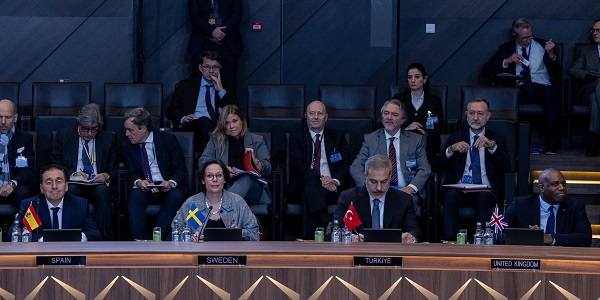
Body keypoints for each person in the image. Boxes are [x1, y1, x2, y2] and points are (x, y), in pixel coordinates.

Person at [435, 97, 511, 241]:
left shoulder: (498, 139)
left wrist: (492, 147)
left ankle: (481, 240)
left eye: (480, 114)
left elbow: (507, 167)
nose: (475, 118)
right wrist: (450, 150)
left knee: (483, 197)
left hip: (486, 191)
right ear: (466, 115)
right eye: (471, 113)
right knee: (450, 195)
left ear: (488, 116)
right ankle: (451, 240)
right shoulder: (456, 137)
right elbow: (437, 166)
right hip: (460, 189)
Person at [481, 18, 561, 154]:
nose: (528, 40)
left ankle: (552, 144)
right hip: (519, 88)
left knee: (550, 94)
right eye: (524, 38)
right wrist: (506, 61)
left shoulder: (544, 46)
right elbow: (486, 70)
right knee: (511, 97)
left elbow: (558, 72)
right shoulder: (506, 48)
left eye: (530, 36)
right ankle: (513, 145)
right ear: (515, 36)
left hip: (542, 86)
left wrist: (552, 55)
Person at [349, 99, 431, 216]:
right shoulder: (371, 139)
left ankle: (405, 234)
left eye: (394, 115)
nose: (389, 117)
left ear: (403, 120)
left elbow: (425, 168)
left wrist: (411, 188)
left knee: (404, 202)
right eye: (386, 113)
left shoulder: (415, 140)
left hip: (405, 190)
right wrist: (369, 188)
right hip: (377, 189)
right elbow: (355, 167)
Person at [51, 103, 117, 240]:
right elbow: (55, 164)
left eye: (93, 129)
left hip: (98, 183)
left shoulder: (108, 139)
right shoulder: (64, 136)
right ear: (78, 124)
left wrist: (106, 175)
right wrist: (73, 174)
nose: (89, 133)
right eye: (85, 129)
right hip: (74, 182)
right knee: (72, 190)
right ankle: (74, 237)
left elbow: (116, 169)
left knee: (102, 191)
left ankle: (103, 240)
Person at [123, 108, 189, 240]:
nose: (126, 134)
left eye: (130, 130)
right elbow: (130, 172)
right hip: (145, 188)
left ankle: (156, 239)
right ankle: (138, 241)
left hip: (167, 186)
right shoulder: (129, 146)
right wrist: (139, 182)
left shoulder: (167, 140)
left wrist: (171, 182)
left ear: (143, 129)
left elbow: (180, 168)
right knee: (135, 195)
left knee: (176, 196)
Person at [289, 100, 351, 239]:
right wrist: (319, 179)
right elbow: (296, 164)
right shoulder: (297, 136)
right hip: (301, 185)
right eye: (312, 113)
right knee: (310, 181)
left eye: (320, 113)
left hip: (330, 188)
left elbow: (345, 164)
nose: (316, 117)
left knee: (308, 195)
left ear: (326, 117)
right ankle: (326, 221)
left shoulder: (337, 136)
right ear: (306, 116)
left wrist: (334, 181)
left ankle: (309, 240)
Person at [334, 154, 420, 243]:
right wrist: (350, 237)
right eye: (373, 181)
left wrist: (411, 238)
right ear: (365, 176)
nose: (379, 188)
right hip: (359, 252)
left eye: (384, 182)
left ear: (390, 177)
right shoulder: (349, 198)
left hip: (392, 251)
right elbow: (336, 229)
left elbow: (414, 231)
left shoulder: (404, 200)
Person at [199, 104, 271, 205]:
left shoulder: (257, 140)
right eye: (227, 123)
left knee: (246, 178)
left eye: (234, 121)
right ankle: (222, 208)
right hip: (225, 187)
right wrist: (222, 168)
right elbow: (203, 162)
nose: (231, 126)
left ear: (242, 120)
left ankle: (219, 207)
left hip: (253, 191)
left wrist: (256, 163)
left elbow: (268, 170)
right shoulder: (216, 140)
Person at [172, 160, 259, 241]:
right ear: (203, 180)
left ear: (224, 179)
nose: (215, 179)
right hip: (199, 255)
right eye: (210, 176)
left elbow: (255, 234)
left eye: (219, 175)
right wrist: (190, 238)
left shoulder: (237, 202)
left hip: (230, 255)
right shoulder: (193, 204)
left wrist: (238, 233)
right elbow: (175, 231)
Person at [167, 51, 236, 151]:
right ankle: (220, 151)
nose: (211, 71)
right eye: (207, 67)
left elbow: (235, 111)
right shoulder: (186, 85)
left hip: (217, 127)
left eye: (215, 67)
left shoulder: (227, 87)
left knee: (206, 136)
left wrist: (221, 91)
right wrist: (183, 118)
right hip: (193, 126)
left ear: (220, 68)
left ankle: (211, 157)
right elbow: (171, 109)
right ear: (200, 68)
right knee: (203, 121)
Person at [504, 168, 592, 247]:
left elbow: (585, 238)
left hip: (561, 258)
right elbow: (501, 235)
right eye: (555, 184)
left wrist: (550, 238)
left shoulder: (575, 206)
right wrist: (530, 237)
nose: (561, 188)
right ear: (542, 188)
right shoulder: (520, 205)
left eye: (563, 184)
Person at [14, 164, 101, 242]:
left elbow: (95, 234)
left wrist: (76, 237)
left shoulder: (80, 205)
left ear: (66, 186)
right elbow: (14, 234)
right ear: (41, 188)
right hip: (41, 256)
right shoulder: (32, 206)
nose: (54, 186)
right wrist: (43, 240)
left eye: (59, 181)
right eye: (49, 182)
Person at [392, 63, 444, 164]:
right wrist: (407, 128)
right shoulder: (399, 99)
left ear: (424, 79)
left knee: (423, 142)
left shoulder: (434, 100)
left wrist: (423, 131)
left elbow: (439, 126)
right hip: (403, 138)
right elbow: (392, 123)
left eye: (417, 77)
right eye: (409, 77)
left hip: (427, 140)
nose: (413, 80)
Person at [188, 0, 243, 85]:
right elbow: (194, 16)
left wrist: (221, 32)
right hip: (202, 42)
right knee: (198, 85)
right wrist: (211, 31)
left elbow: (237, 14)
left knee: (229, 84)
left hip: (227, 44)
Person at [567, 19, 600, 157]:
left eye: (598, 30)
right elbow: (573, 70)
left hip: (595, 96)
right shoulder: (586, 51)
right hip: (586, 90)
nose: (595, 33)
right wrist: (589, 74)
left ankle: (593, 142)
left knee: (595, 99)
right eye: (594, 30)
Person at [0, 99, 35, 208]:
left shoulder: (25, 138)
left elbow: (29, 170)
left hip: (14, 187)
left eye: (8, 117)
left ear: (15, 118)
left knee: (23, 192)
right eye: (0, 117)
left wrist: (12, 184)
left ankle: (20, 224)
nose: (3, 122)